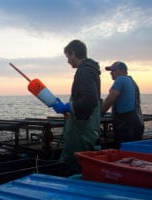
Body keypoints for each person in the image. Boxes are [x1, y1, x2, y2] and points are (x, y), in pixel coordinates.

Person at [52, 40, 101, 175]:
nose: (68, 61)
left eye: (68, 57)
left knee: (76, 166)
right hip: (88, 128)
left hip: (81, 132)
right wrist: (70, 107)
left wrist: (68, 107)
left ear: (73, 53)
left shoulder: (84, 72)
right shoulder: (91, 70)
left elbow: (90, 100)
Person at [101, 61, 144, 149]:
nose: (111, 73)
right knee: (134, 153)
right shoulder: (132, 82)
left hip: (127, 126)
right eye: (110, 71)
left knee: (124, 153)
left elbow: (109, 100)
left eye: (113, 70)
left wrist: (98, 114)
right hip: (137, 123)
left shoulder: (121, 79)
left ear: (122, 70)